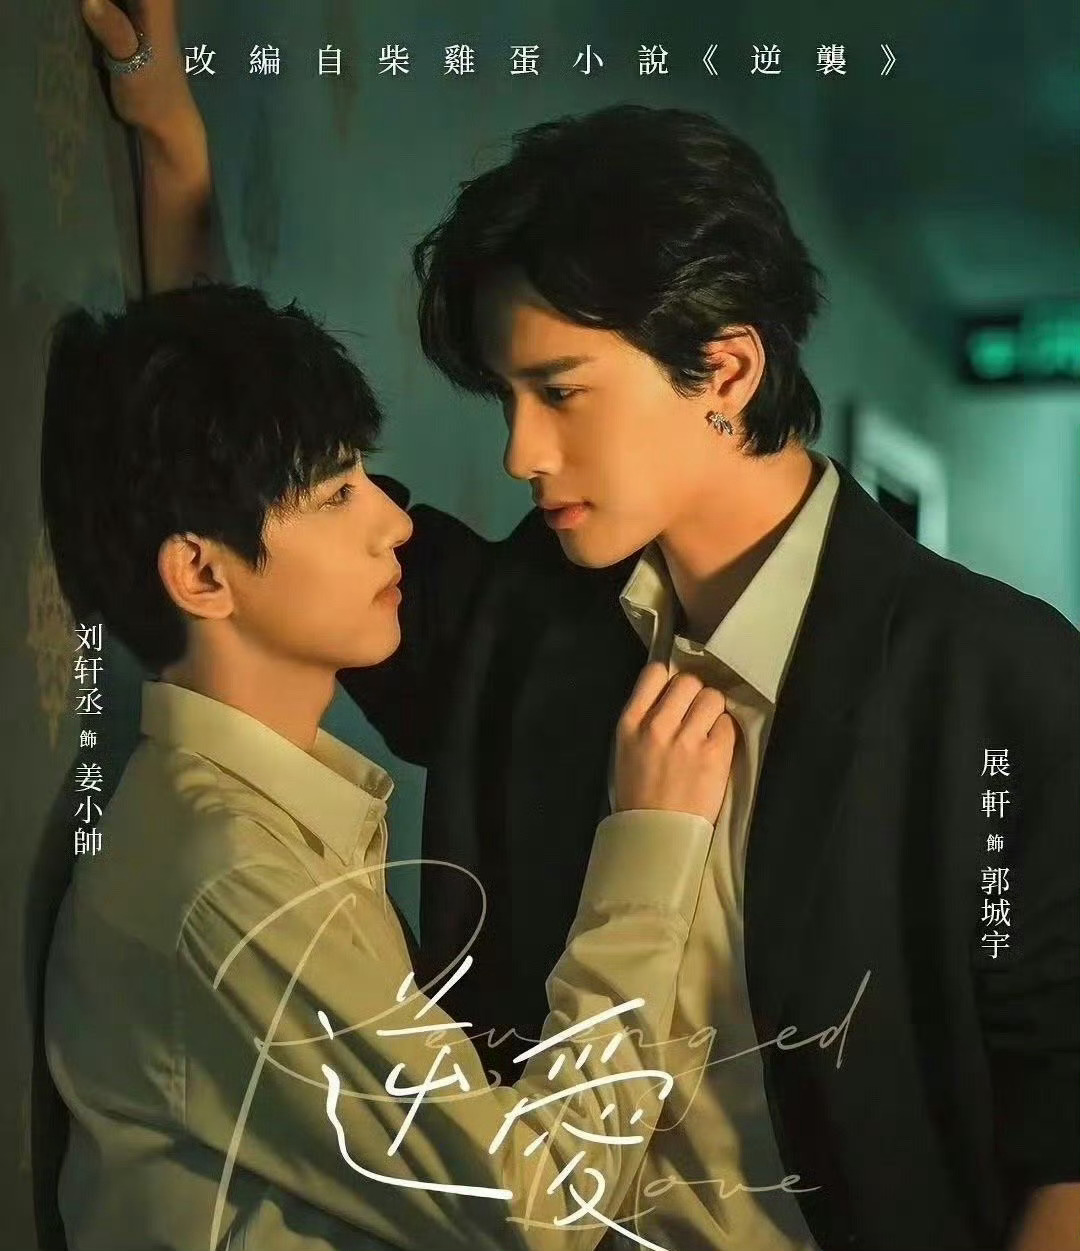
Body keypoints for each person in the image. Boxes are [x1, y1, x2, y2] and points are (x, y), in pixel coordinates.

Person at [79, 4, 1080, 1249]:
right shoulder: (525, 625)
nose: (521, 452)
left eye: (560, 392)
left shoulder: (996, 679)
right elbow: (247, 489)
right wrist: (172, 151)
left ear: (725, 371)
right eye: (507, 397)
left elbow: (1067, 1141)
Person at [41, 283, 736, 1251]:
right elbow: (541, 1206)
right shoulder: (233, 880)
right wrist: (651, 849)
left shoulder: (261, 827)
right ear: (201, 574)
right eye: (337, 494)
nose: (394, 523)